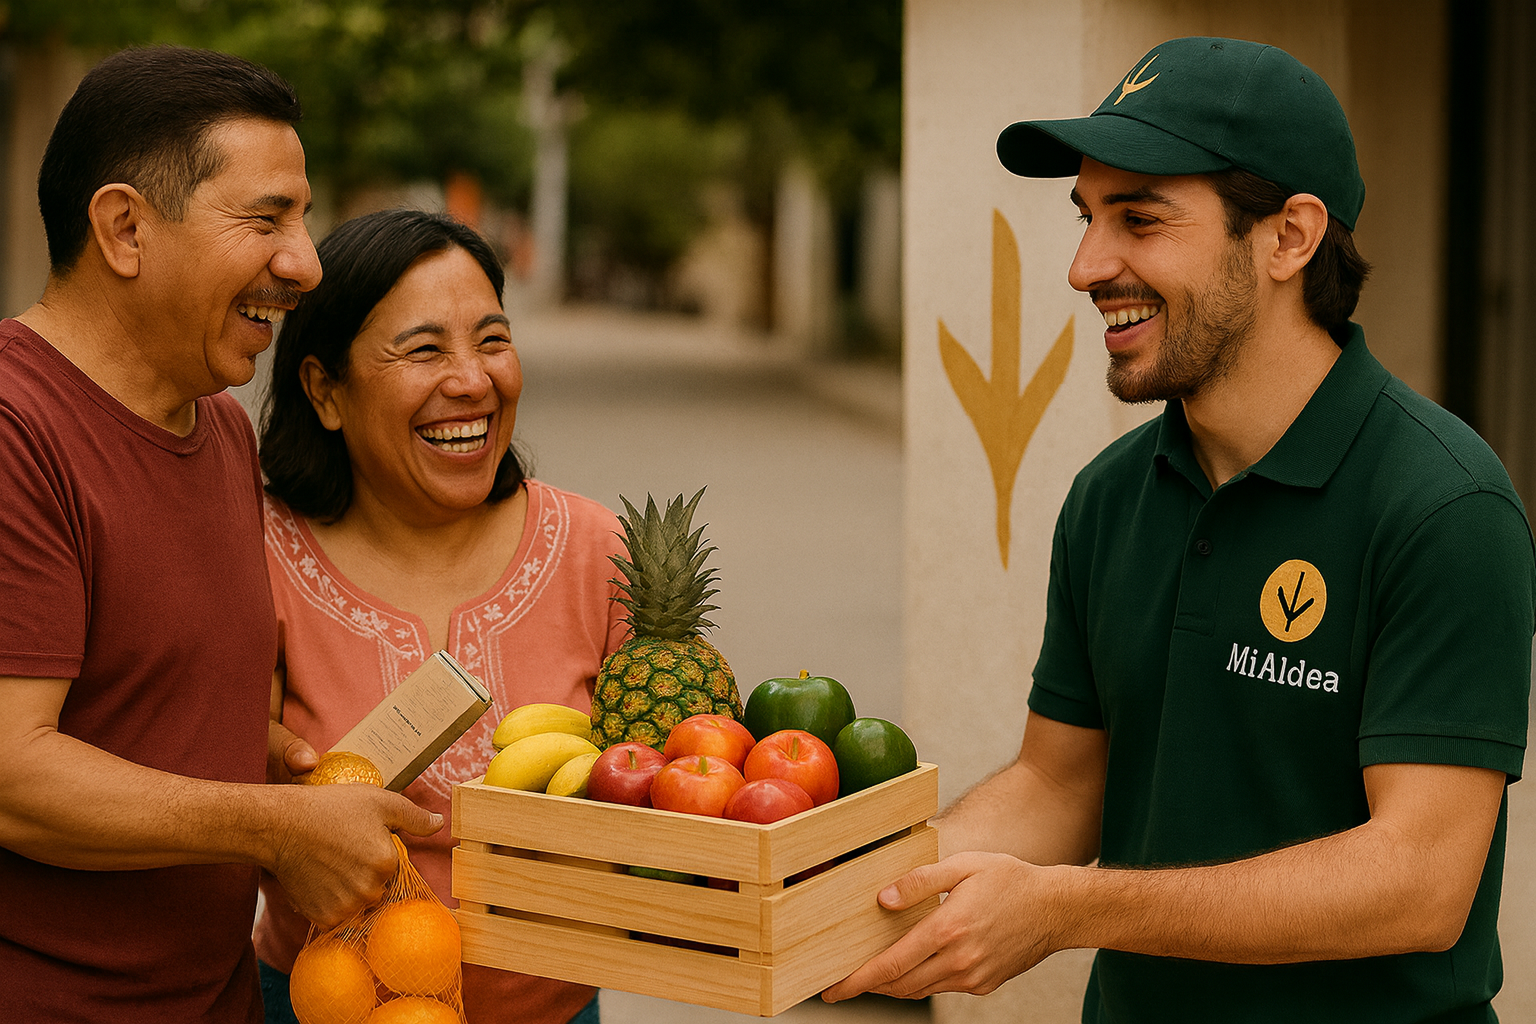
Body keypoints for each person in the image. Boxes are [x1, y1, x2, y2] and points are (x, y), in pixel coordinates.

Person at [824, 36, 1534, 1021]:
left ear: (1289, 237)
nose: (1084, 267)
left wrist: (1070, 907)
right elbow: (1059, 782)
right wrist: (839, 904)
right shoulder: (1111, 497)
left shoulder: (1443, 505)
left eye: (1140, 219)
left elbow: (1417, 880)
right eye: (1087, 217)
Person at [0, 46, 442, 1024]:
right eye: (267, 217)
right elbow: (12, 773)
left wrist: (270, 752)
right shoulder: (14, 428)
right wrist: (280, 827)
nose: (308, 262)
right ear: (124, 227)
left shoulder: (223, 424)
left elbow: (140, 696)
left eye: (306, 215)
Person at [254, 208, 628, 1024]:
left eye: (492, 340)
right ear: (325, 391)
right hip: (320, 1007)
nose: (472, 380)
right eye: (424, 349)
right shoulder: (257, 558)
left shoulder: (598, 552)